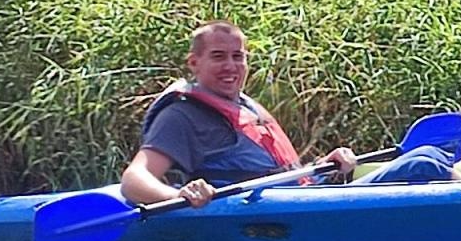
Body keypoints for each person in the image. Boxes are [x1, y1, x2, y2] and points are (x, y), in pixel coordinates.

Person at [120, 21, 357, 208]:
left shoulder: (246, 106)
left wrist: (325, 166)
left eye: (237, 56)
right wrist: (179, 195)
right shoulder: (180, 116)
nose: (230, 66)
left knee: (396, 164)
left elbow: (284, 175)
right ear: (194, 63)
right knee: (397, 170)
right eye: (218, 56)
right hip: (258, 212)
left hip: (298, 198)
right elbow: (134, 179)